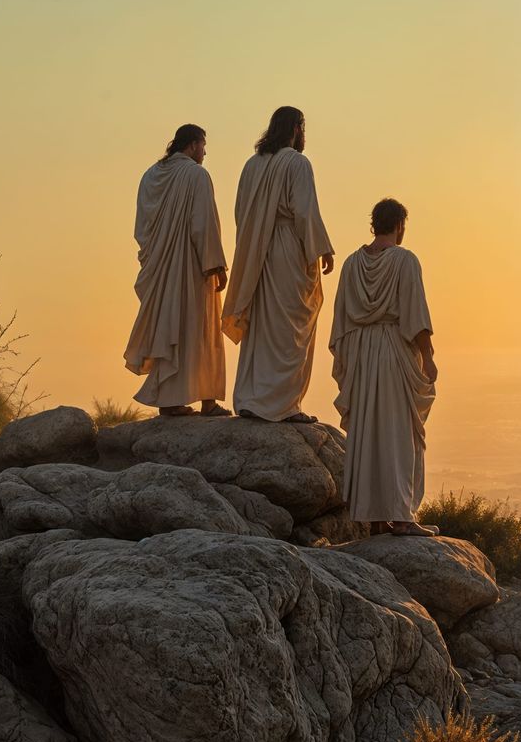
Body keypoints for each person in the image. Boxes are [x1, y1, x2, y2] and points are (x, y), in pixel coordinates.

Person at [330, 198, 438, 536]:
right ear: (400, 226)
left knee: (370, 434)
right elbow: (415, 315)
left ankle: (377, 519)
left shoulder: (351, 264)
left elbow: (341, 319)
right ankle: (402, 517)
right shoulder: (405, 261)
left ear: (374, 224)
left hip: (361, 355)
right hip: (393, 351)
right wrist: (429, 357)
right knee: (399, 435)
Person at [222, 106, 334, 422]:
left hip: (258, 252)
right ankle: (283, 405)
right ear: (296, 129)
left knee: (261, 325)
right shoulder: (297, 163)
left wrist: (254, 243)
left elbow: (241, 212)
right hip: (287, 249)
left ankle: (251, 398)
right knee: (289, 328)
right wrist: (321, 249)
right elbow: (305, 212)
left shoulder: (252, 165)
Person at [123, 124, 230, 417]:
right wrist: (215, 264)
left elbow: (142, 226)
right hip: (190, 265)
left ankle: (171, 401)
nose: (205, 153)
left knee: (170, 328)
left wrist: (156, 254)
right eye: (203, 146)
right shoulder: (197, 175)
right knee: (200, 329)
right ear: (193, 145)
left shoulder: (150, 176)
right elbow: (203, 223)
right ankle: (208, 400)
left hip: (160, 264)